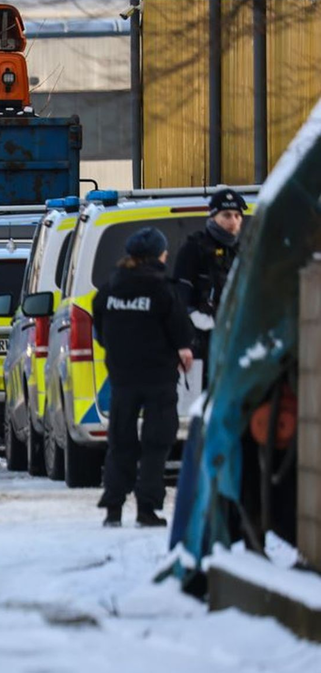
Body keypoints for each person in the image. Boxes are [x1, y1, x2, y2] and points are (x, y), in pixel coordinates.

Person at [92, 227, 194, 528]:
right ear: (159, 255)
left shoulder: (110, 288)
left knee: (120, 442)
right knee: (156, 443)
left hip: (122, 377)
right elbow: (181, 332)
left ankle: (113, 508)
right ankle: (146, 509)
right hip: (159, 379)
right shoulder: (162, 288)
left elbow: (100, 330)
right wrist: (183, 351)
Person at [172, 188, 245, 371]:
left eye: (237, 216)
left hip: (233, 336)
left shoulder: (242, 251)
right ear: (213, 217)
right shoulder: (194, 248)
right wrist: (198, 319)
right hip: (198, 340)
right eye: (226, 215)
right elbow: (181, 294)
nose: (233, 221)